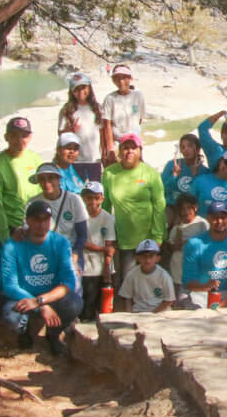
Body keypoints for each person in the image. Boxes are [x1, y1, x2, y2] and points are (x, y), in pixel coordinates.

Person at [0, 200, 82, 357]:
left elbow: (68, 283)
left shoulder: (60, 243)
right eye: (37, 219)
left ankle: (53, 333)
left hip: (49, 295)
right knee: (11, 318)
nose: (42, 223)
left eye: (46, 218)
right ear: (28, 220)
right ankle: (23, 332)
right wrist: (41, 305)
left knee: (74, 304)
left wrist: (39, 301)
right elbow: (10, 285)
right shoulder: (12, 245)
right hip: (22, 297)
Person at [101, 133, 166, 285]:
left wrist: (158, 237)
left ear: (140, 151)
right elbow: (104, 207)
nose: (129, 151)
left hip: (149, 239)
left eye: (133, 148)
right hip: (124, 240)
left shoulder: (151, 174)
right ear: (119, 150)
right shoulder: (109, 174)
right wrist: (106, 238)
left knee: (151, 283)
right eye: (125, 148)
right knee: (127, 283)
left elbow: (159, 206)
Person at [182, 201, 227, 307]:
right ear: (208, 218)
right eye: (215, 217)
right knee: (193, 305)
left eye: (223, 217)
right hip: (203, 293)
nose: (219, 221)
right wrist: (205, 287)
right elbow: (188, 280)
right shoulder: (194, 244)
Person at [27, 162, 89, 277]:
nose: (47, 183)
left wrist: (74, 257)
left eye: (51, 178)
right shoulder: (32, 203)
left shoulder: (74, 200)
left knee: (72, 290)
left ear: (59, 179)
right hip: (43, 255)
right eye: (42, 179)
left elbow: (82, 234)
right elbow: (28, 232)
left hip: (70, 253)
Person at [0, 116, 43, 243]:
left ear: (30, 137)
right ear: (6, 137)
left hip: (37, 225)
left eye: (24, 135)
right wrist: (6, 237)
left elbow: (43, 193)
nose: (20, 140)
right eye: (14, 136)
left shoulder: (36, 159)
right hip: (13, 229)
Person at [78, 181, 117, 320]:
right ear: (83, 198)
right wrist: (102, 249)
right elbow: (81, 241)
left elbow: (110, 245)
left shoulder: (107, 218)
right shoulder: (80, 217)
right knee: (87, 304)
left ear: (102, 199)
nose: (92, 201)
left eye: (96, 198)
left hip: (102, 268)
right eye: (89, 198)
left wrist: (107, 267)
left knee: (104, 307)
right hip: (86, 268)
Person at [58, 72, 104, 179]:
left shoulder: (97, 108)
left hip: (94, 159)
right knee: (77, 191)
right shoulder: (66, 110)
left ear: (89, 88)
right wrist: (70, 130)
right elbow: (60, 134)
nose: (81, 92)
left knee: (94, 191)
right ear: (71, 91)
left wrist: (105, 154)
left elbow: (102, 132)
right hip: (75, 160)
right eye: (76, 89)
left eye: (84, 87)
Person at [100, 64, 146, 166]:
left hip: (134, 140)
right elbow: (107, 125)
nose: (121, 81)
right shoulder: (110, 99)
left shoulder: (138, 96)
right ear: (113, 80)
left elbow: (140, 119)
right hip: (118, 140)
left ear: (130, 79)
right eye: (117, 78)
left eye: (124, 78)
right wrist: (110, 148)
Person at [164, 193, 209, 293]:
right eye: (182, 209)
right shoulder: (177, 228)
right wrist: (176, 245)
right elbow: (171, 246)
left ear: (196, 208)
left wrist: (191, 243)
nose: (186, 212)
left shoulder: (202, 223)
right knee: (179, 295)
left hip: (196, 268)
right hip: (178, 268)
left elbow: (208, 241)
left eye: (189, 208)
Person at [118, 239, 176, 312]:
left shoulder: (164, 275)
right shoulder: (132, 274)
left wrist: (153, 315)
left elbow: (169, 300)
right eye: (144, 256)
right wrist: (129, 314)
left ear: (157, 258)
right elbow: (127, 297)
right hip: (139, 311)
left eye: (151, 256)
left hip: (160, 312)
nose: (147, 260)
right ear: (137, 258)